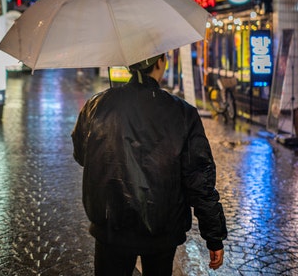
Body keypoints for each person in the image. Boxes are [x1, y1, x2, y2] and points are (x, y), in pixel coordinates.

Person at [71, 53, 227, 276]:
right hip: (162, 232)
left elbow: (82, 156)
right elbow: (200, 180)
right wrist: (214, 235)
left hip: (111, 227)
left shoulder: (97, 105)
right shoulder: (183, 113)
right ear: (161, 62)